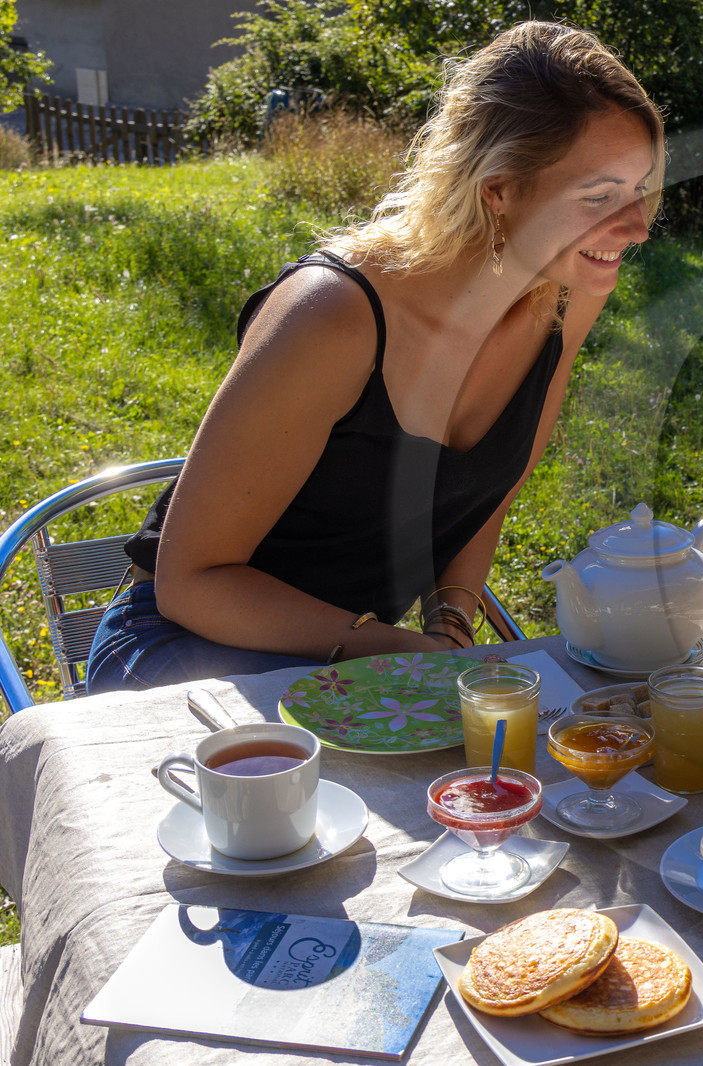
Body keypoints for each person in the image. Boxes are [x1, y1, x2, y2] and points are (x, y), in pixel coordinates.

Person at [86, 21, 664, 692]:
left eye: (639, 187)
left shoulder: (564, 294)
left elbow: (487, 488)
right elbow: (190, 586)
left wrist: (449, 624)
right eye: (598, 195)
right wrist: (396, 648)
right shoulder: (334, 313)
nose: (637, 227)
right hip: (187, 654)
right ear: (498, 190)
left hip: (364, 662)